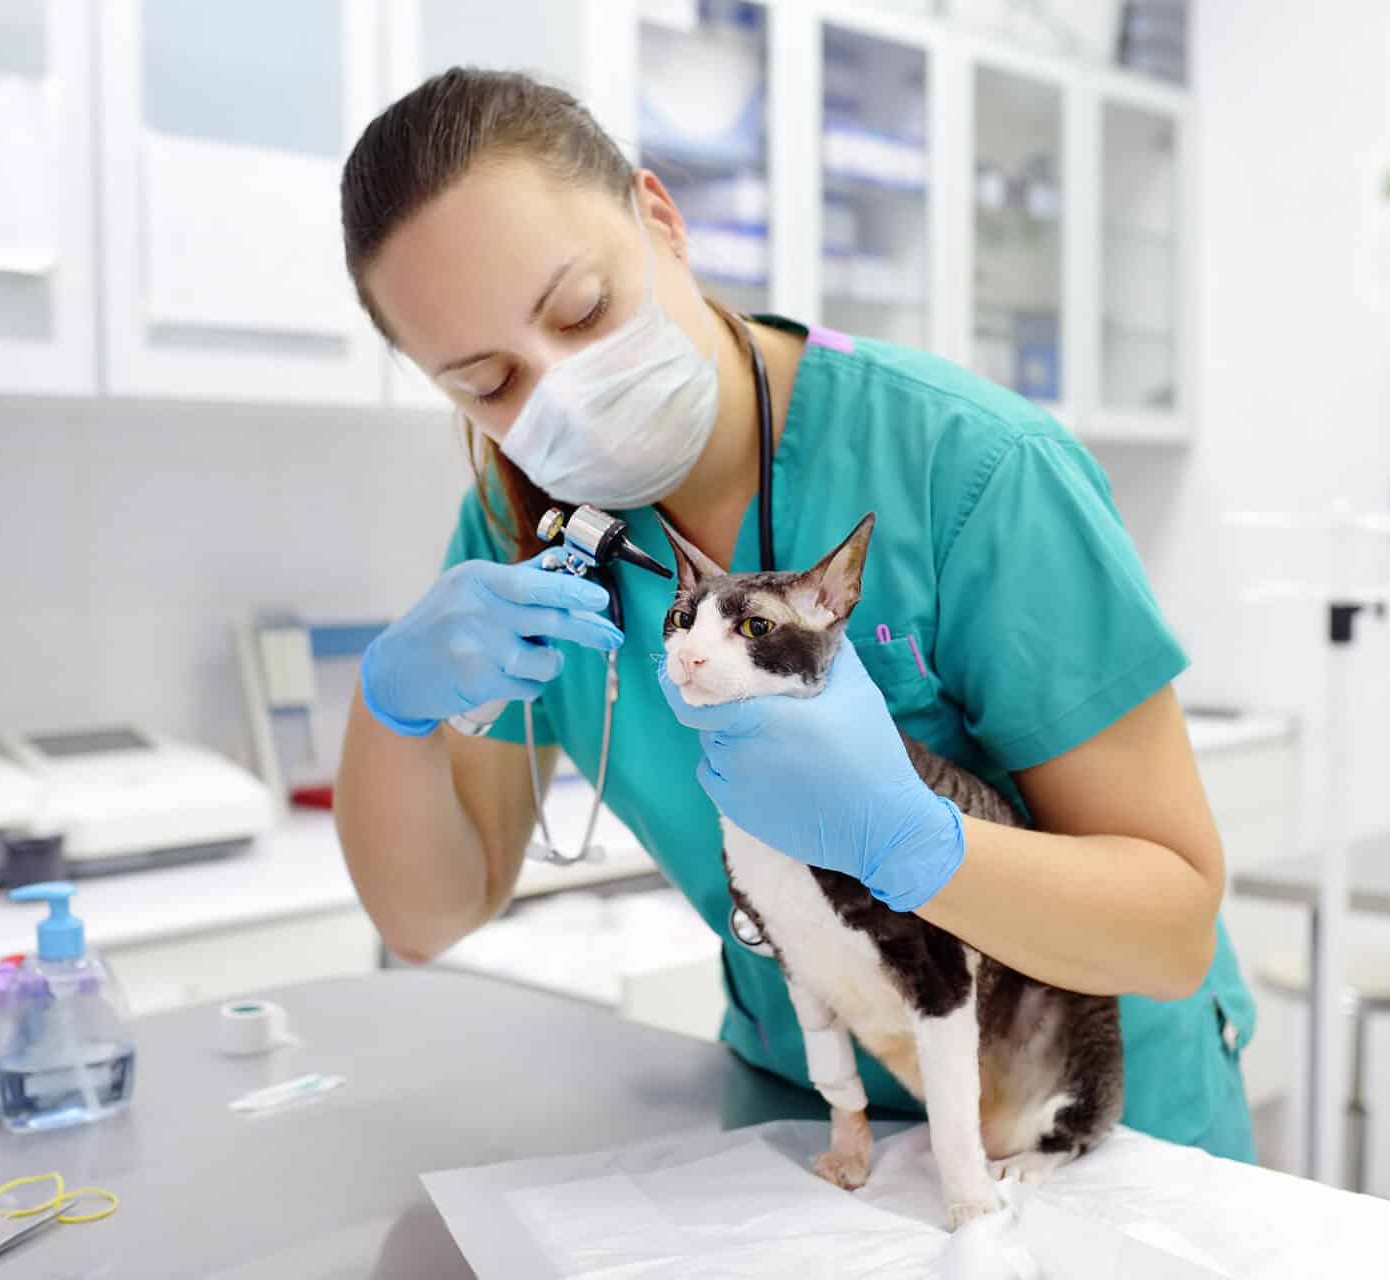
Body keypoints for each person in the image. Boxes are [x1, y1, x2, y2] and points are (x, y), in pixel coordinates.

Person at [334, 67, 1256, 1159]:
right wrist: (390, 707)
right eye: (488, 382)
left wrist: (919, 845)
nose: (560, 390)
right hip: (818, 1132)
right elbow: (430, 913)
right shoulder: (522, 525)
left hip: (1090, 1128)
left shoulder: (968, 470)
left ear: (660, 218)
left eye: (583, 309)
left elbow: (1170, 930)